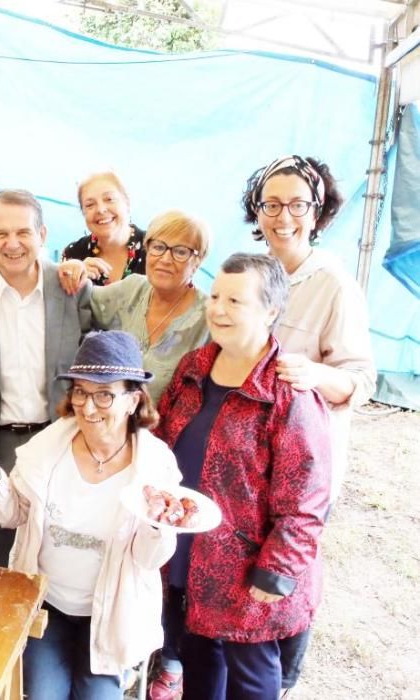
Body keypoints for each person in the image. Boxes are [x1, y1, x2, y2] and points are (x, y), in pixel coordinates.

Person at [154, 253, 331, 700]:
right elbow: (161, 440)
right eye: (215, 296)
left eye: (235, 300)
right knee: (197, 657)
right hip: (187, 550)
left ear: (270, 311)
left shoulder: (287, 391)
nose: (218, 309)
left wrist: (278, 570)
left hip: (248, 565)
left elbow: (307, 499)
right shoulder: (195, 366)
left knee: (250, 672)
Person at [0, 330, 178, 699]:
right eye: (80, 391)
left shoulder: (156, 466)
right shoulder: (48, 447)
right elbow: (13, 513)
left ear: (133, 401)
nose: (87, 407)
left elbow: (151, 558)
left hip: (111, 616)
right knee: (39, 695)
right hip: (46, 606)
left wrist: (154, 522)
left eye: (104, 394)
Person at [241, 154, 376, 696]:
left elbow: (360, 382)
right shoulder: (254, 274)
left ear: (318, 212)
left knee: (288, 576)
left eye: (297, 204)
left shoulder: (335, 284)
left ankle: (282, 678)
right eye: (271, 204)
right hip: (250, 463)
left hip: (305, 465)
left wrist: (314, 373)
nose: (283, 216)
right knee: (247, 576)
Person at [0, 189, 92, 565]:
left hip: (59, 439)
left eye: (23, 232)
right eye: (1, 233)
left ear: (42, 235)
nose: (12, 244)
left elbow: (97, 355)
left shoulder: (71, 287)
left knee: (57, 552)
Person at [63, 210, 211, 406]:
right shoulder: (132, 289)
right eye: (158, 247)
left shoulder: (210, 317)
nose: (165, 259)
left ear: (198, 260)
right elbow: (75, 300)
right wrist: (75, 269)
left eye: (181, 251)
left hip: (167, 434)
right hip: (111, 424)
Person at [61, 171, 146, 285]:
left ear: (127, 203)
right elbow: (60, 300)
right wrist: (78, 278)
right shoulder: (73, 254)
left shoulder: (154, 249)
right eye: (90, 205)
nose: (101, 209)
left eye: (109, 199)